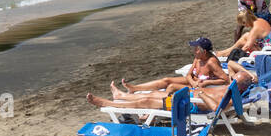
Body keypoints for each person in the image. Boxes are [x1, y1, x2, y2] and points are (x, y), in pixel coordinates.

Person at [88, 38, 248, 111]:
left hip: (187, 105)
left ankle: (107, 104)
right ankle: (122, 96)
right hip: (187, 96)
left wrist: (201, 92)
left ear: (240, 88)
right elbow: (232, 66)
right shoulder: (230, 89)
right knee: (155, 94)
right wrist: (248, 74)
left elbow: (215, 108)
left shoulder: (231, 99)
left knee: (147, 100)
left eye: (235, 81)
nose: (232, 81)